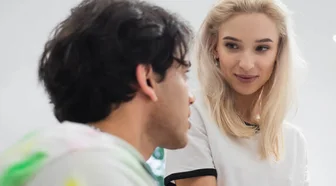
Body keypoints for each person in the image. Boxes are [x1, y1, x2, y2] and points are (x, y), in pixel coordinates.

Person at [0, 0, 195, 185]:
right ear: (146, 78)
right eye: (184, 74)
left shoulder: (58, 157)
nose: (191, 98)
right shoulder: (91, 165)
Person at [164, 0, 309, 185]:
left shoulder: (294, 142)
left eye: (262, 48)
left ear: (278, 53)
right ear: (214, 47)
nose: (246, 64)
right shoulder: (192, 114)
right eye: (232, 46)